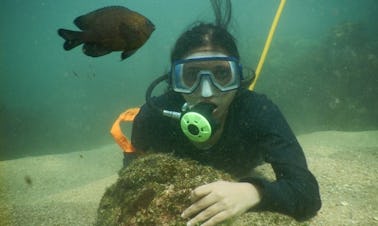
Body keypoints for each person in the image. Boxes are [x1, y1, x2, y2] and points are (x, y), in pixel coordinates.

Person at [127, 1, 321, 225]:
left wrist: (253, 192)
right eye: (191, 75)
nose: (207, 92)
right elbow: (131, 179)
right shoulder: (153, 116)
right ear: (174, 81)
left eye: (221, 73)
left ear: (237, 78)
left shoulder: (257, 111)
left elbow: (307, 194)